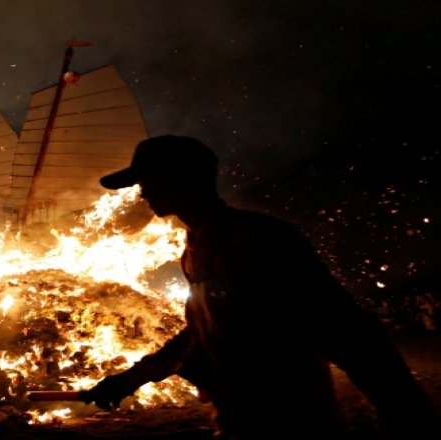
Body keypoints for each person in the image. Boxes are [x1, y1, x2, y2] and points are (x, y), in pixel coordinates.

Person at [78, 135, 438, 439]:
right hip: (238, 418)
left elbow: (345, 328)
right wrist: (131, 379)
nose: (142, 194)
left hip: (292, 420)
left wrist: (404, 412)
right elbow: (200, 331)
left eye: (149, 182)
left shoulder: (259, 238)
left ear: (182, 180)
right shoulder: (194, 248)